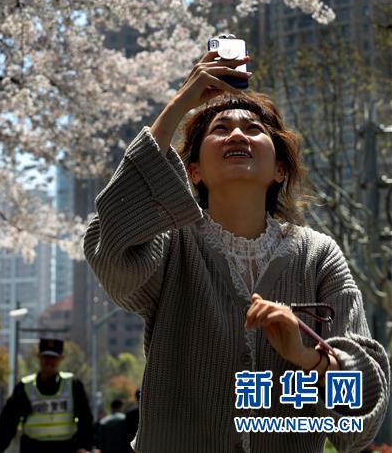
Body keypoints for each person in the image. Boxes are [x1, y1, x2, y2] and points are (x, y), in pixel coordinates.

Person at [84, 48, 390, 453]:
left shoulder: (318, 255)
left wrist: (308, 356)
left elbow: (362, 412)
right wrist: (181, 103)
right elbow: (111, 250)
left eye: (254, 129)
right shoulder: (171, 242)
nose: (237, 134)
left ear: (280, 169)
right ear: (192, 170)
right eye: (219, 128)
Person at [0, 337, 93, 453]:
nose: (49, 361)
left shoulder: (73, 385)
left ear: (61, 358)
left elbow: (85, 420)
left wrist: (84, 447)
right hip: (33, 447)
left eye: (53, 358)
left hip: (65, 447)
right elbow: (8, 423)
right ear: (38, 356)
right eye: (46, 357)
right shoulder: (24, 387)